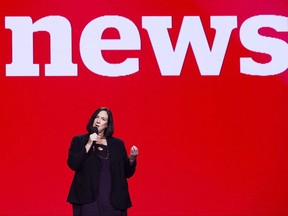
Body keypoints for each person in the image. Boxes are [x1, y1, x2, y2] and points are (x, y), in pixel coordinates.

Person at [67, 107, 139, 216]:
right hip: (88, 199)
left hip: (113, 200)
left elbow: (127, 173)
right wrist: (89, 143)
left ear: (107, 124)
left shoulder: (118, 144)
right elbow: (73, 164)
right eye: (97, 117)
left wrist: (132, 158)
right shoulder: (79, 140)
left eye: (103, 119)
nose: (98, 121)